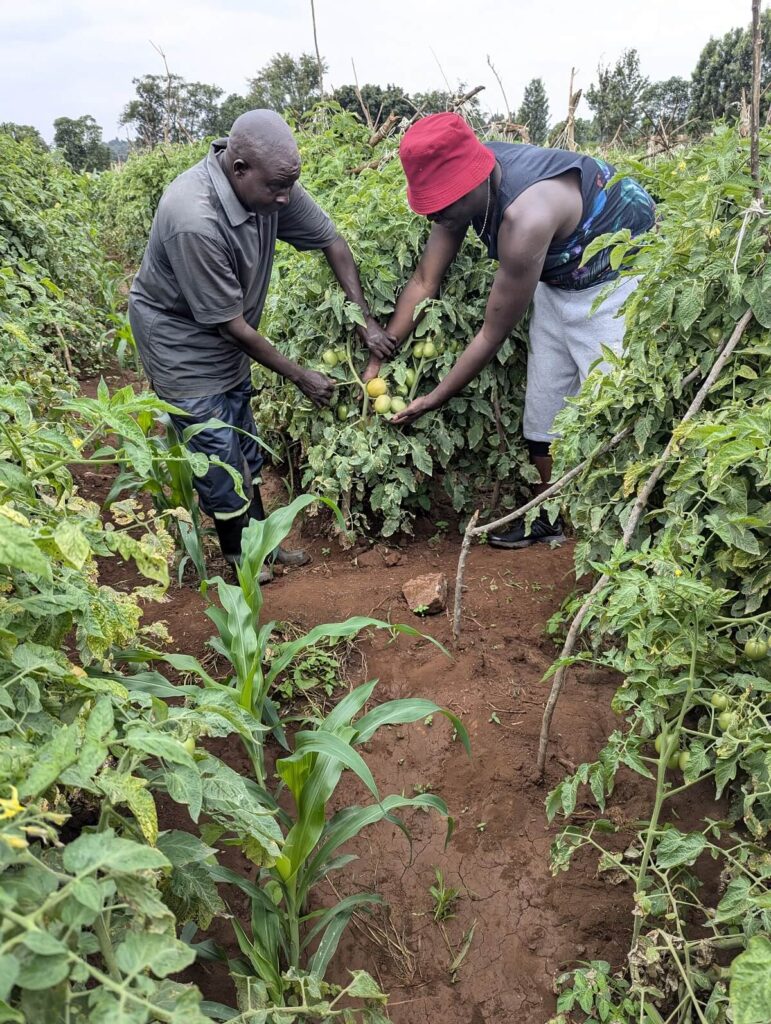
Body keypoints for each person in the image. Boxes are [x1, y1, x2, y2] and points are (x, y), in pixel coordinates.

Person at [366, 112, 655, 548]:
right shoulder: (466, 193)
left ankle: (626, 536)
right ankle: (549, 515)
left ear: (473, 181)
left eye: (442, 203)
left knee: (614, 410)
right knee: (544, 409)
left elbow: (490, 333)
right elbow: (425, 281)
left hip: (618, 277)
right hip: (557, 277)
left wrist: (433, 399)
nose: (437, 216)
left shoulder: (525, 220)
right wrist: (376, 358)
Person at [129, 109, 393, 579]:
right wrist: (301, 376)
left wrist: (364, 319)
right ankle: (239, 555)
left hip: (227, 333)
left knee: (242, 437)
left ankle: (262, 545)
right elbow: (231, 327)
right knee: (215, 447)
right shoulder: (194, 218)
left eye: (289, 185)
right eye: (277, 188)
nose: (286, 197)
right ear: (239, 170)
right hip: (180, 341)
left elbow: (331, 240)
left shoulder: (272, 185)